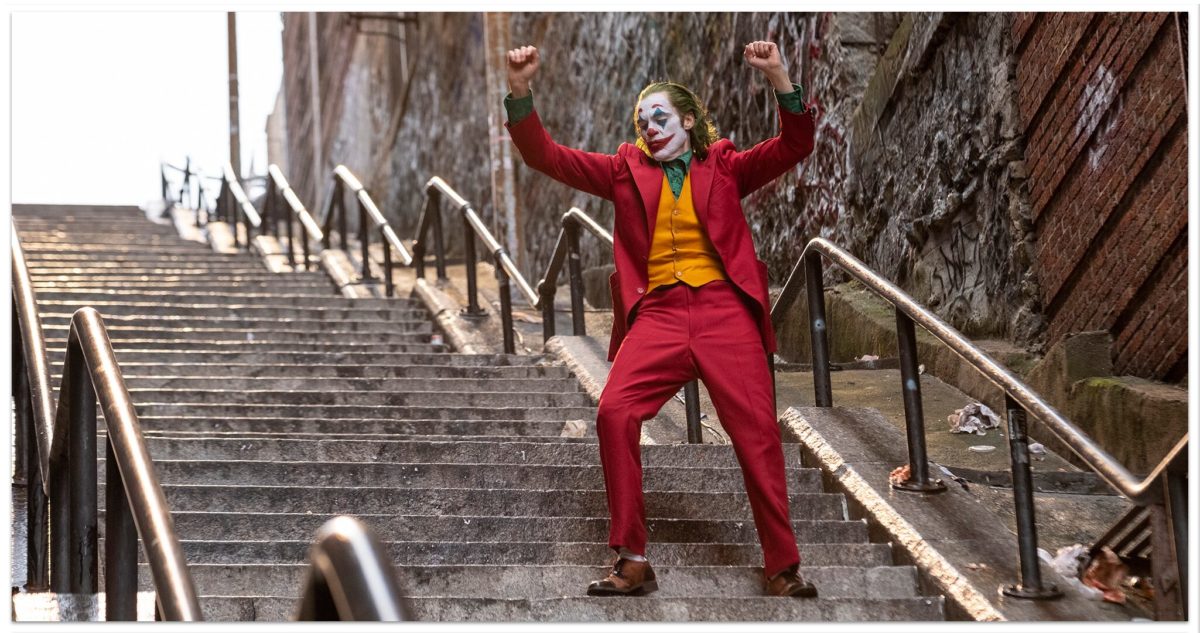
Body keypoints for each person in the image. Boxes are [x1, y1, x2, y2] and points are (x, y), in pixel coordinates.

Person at [504, 40, 817, 598]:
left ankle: (782, 565)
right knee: (615, 412)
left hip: (725, 312)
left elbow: (794, 145)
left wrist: (779, 76)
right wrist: (522, 92)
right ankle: (633, 558)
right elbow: (545, 156)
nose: (649, 127)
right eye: (642, 121)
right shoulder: (624, 169)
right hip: (659, 315)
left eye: (660, 117)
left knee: (758, 434)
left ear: (688, 120)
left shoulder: (722, 164)